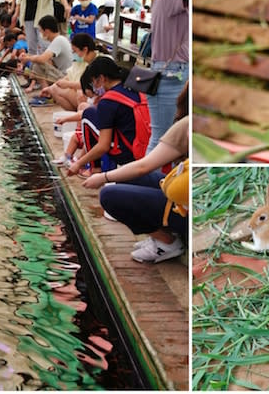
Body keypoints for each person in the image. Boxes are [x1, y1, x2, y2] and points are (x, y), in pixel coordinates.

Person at [82, 83, 188, 263]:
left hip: (185, 206)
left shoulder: (187, 124)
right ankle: (160, 234)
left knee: (109, 194)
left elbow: (142, 166)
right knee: (129, 178)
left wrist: (102, 177)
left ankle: (168, 242)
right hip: (182, 190)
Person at [67, 56, 150, 176]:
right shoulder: (132, 87)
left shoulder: (108, 102)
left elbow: (103, 146)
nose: (94, 86)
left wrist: (79, 163)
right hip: (145, 149)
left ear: (101, 78)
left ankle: (95, 169)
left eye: (93, 82)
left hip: (128, 155)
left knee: (87, 115)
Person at [147, 0, 188, 154]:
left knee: (172, 140)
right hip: (171, 74)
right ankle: (146, 183)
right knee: (164, 139)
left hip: (175, 72)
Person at [37, 33, 99, 111]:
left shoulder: (99, 62)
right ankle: (74, 113)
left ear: (85, 50)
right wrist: (51, 87)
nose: (74, 55)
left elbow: (89, 85)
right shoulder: (80, 61)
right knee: (54, 88)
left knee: (79, 93)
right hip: (83, 93)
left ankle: (80, 114)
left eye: (75, 51)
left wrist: (68, 84)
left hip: (94, 97)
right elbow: (70, 75)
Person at [20, 15, 72, 92]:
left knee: (38, 65)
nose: (40, 34)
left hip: (65, 77)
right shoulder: (59, 39)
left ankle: (47, 92)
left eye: (41, 31)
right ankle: (48, 91)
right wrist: (28, 56)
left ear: (47, 31)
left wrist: (28, 58)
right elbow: (47, 60)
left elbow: (42, 59)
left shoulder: (58, 40)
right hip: (62, 74)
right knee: (36, 63)